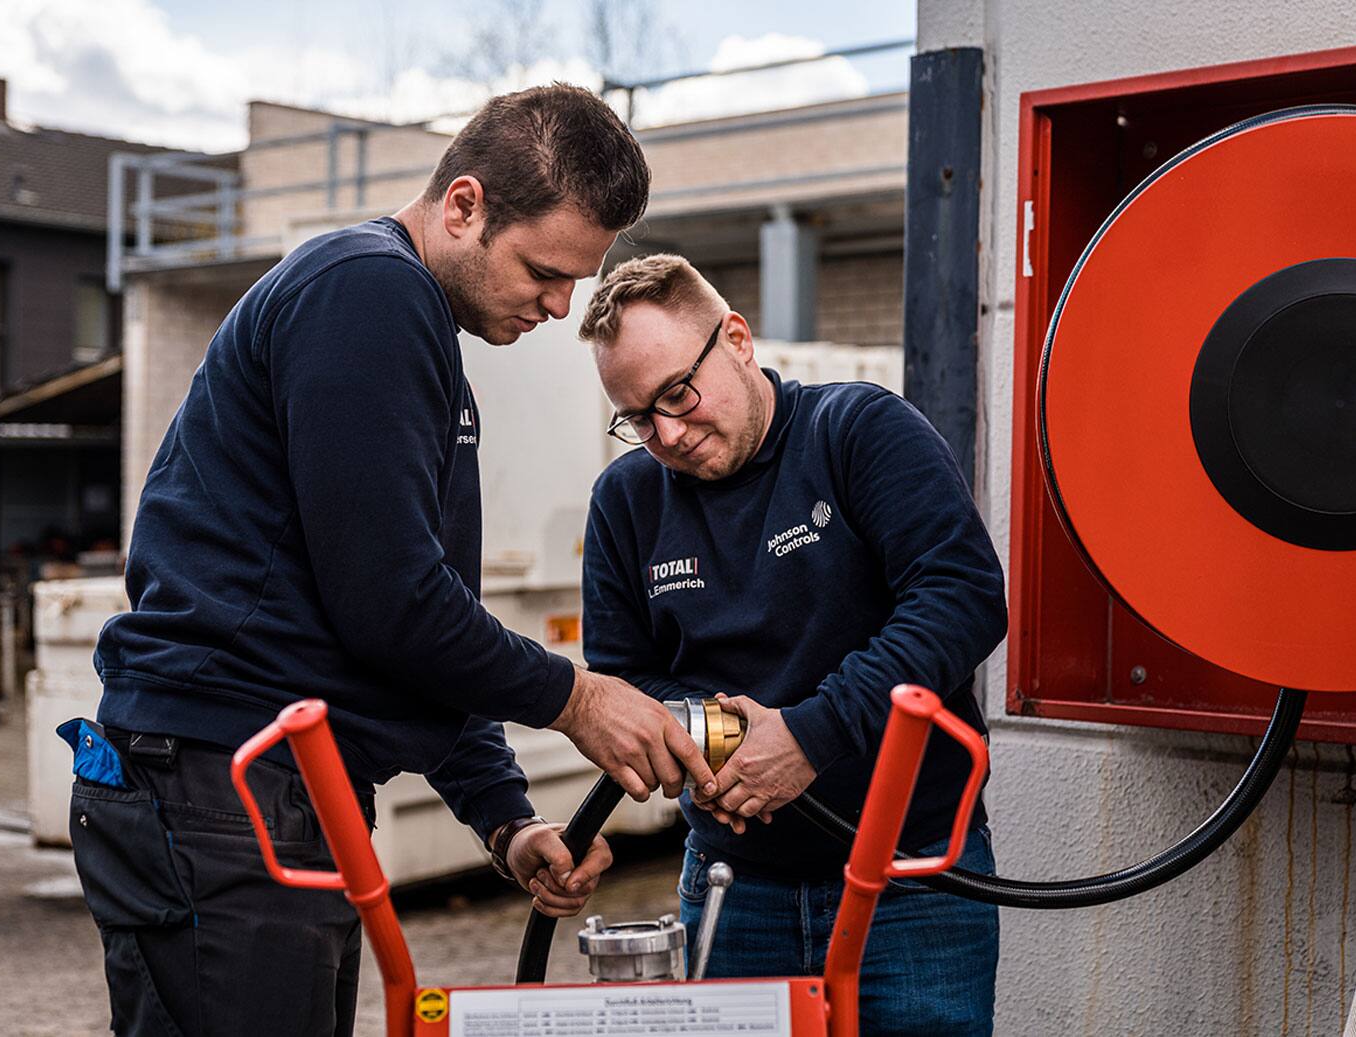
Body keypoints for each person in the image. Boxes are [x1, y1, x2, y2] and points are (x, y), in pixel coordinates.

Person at [64, 87, 719, 1037]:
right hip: (220, 786)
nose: (559, 304)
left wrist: (503, 816)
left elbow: (414, 622)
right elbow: (390, 604)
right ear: (463, 206)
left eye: (578, 279)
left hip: (272, 795)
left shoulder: (417, 345)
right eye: (544, 269)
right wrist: (580, 699)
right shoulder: (366, 292)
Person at [578, 254, 1008, 1036]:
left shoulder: (857, 432)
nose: (666, 434)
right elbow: (622, 682)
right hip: (734, 885)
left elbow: (961, 596)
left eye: (677, 393)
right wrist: (701, 749)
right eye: (638, 417)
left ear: (735, 338)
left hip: (910, 884)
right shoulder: (626, 501)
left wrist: (812, 733)